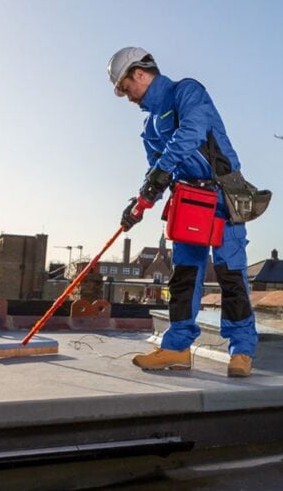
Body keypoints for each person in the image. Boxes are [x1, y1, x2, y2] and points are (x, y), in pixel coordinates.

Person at [107, 46, 258, 377]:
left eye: (125, 87)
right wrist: (141, 200)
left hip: (223, 196)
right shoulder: (149, 129)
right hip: (189, 202)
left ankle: (242, 351)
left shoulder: (187, 92)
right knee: (184, 276)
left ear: (140, 73)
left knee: (230, 273)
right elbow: (156, 174)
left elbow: (190, 135)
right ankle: (176, 348)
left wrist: (158, 176)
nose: (125, 96)